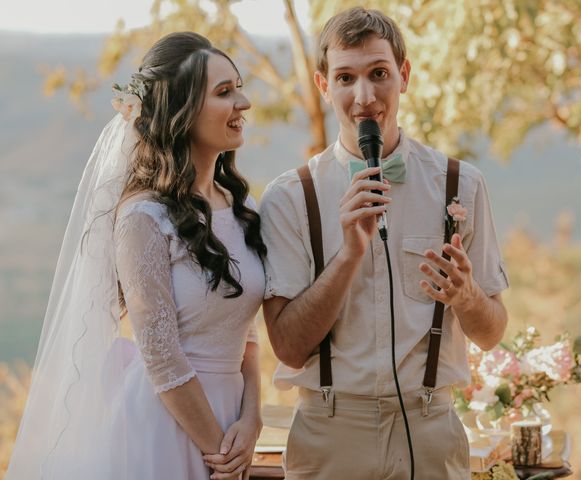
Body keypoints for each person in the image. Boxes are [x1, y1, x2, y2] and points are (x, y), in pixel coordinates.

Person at [260, 7, 509, 480]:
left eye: (379, 74)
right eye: (346, 78)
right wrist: (349, 255)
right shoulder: (291, 197)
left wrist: (466, 295)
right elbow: (289, 348)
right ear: (323, 86)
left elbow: (492, 331)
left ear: (404, 76)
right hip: (331, 432)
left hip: (430, 428)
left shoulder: (461, 185)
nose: (365, 97)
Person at [7, 32, 265, 480]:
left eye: (238, 87)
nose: (242, 102)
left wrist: (253, 417)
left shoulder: (238, 208)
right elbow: (161, 355)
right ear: (181, 111)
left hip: (233, 426)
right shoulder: (143, 217)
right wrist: (217, 453)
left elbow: (246, 332)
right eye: (224, 92)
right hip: (169, 428)